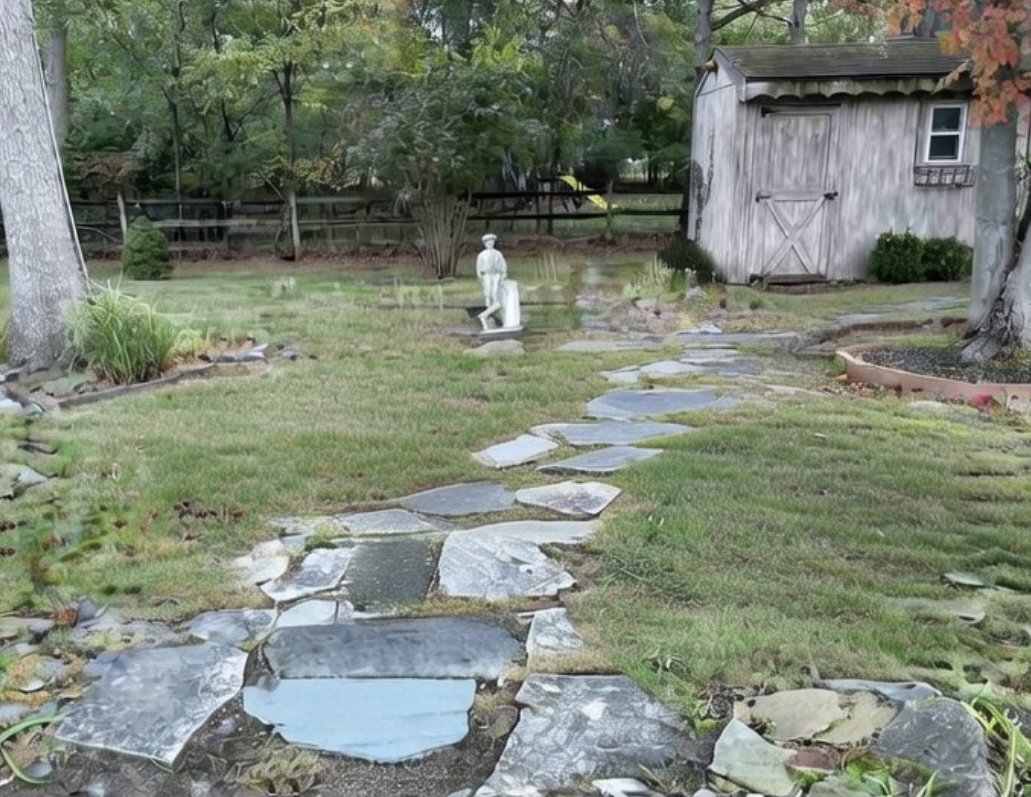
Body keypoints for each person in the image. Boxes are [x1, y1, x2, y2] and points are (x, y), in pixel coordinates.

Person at [476, 233, 508, 330]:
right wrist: (481, 278)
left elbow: (503, 265)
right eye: (487, 242)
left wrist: (503, 275)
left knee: (495, 294)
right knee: (488, 294)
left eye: (491, 241)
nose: (490, 243)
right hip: (487, 275)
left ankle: (489, 314)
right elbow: (479, 268)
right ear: (485, 244)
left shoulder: (498, 254)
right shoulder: (482, 255)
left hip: (496, 275)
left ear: (494, 242)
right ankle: (488, 316)